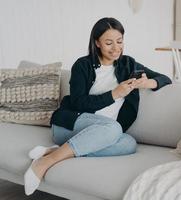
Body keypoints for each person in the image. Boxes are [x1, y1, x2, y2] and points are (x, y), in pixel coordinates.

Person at [24, 17, 172, 195]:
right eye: (109, 43)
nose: (116, 48)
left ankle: (57, 151)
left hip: (104, 133)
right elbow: (79, 102)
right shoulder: (82, 65)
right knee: (113, 127)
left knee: (129, 144)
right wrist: (114, 94)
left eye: (119, 41)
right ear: (97, 43)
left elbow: (165, 79)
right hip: (68, 126)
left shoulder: (128, 64)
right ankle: (45, 162)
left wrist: (148, 84)